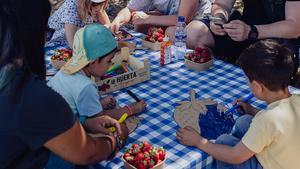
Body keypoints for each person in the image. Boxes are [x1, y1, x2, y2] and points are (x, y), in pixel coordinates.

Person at [0, 1, 129, 168]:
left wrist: (85, 123)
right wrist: (115, 140)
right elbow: (87, 152)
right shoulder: (29, 94)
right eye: (46, 33)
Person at [176, 40, 300, 169]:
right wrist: (251, 110)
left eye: (247, 80)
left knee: (224, 142)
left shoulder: (267, 120)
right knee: (245, 121)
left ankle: (241, 148)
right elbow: (280, 125)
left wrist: (199, 142)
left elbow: (235, 156)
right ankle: (246, 146)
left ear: (257, 86)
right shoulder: (296, 99)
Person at [190, 0, 300, 70]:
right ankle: (215, 74)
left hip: (278, 40)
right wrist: (219, 18)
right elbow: (221, 4)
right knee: (193, 33)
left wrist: (252, 32)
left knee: (264, 63)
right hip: (244, 31)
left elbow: (295, 27)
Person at [109, 0, 211, 42]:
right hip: (171, 20)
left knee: (171, 32)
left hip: (198, 23)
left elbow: (183, 19)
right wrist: (117, 20)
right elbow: (129, 10)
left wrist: (147, 18)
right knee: (140, 24)